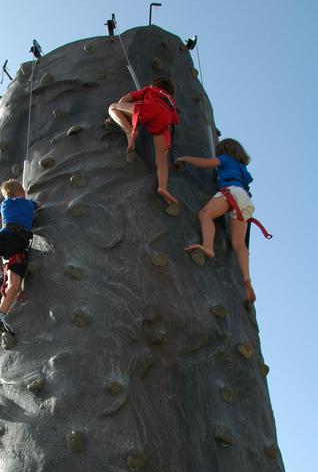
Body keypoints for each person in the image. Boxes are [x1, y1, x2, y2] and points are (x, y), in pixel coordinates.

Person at [176, 138, 256, 302]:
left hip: (231, 192)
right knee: (239, 244)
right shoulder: (242, 169)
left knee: (205, 214)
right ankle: (246, 277)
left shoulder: (226, 159)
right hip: (245, 200)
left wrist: (186, 159)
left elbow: (205, 163)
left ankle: (208, 247)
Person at [108, 76, 180, 205]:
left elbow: (125, 99)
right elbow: (175, 120)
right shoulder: (171, 101)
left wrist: (124, 112)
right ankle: (162, 187)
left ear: (154, 85)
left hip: (152, 107)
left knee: (113, 107)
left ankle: (129, 132)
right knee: (162, 160)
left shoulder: (150, 90)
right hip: (166, 119)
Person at [0, 179, 37, 335]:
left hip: (1, 239)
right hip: (18, 242)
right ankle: (1, 310)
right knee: (14, 285)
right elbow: (41, 206)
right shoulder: (29, 204)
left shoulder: (5, 204)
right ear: (22, 191)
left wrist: (3, 209)